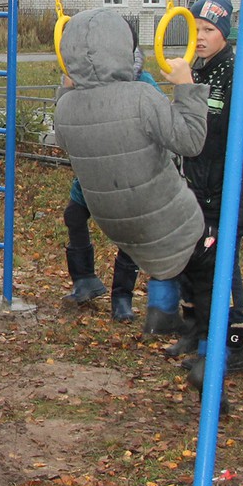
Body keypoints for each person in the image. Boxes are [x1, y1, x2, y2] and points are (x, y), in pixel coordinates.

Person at [53, 8, 208, 287]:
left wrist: (66, 87)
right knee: (209, 257)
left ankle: (162, 310)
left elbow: (64, 140)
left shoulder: (65, 107)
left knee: (183, 263)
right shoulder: (141, 96)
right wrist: (186, 86)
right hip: (166, 219)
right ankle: (201, 322)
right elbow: (191, 141)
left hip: (113, 224)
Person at [170, 0, 243, 396]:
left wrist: (189, 92)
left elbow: (225, 135)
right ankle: (197, 332)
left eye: (208, 30)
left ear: (224, 32)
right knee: (192, 259)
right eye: (195, 29)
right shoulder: (200, 67)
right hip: (196, 184)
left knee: (224, 269)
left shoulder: (236, 75)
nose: (201, 37)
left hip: (223, 187)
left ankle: (233, 345)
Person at [60, 46, 159, 323]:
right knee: (74, 214)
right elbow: (66, 126)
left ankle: (122, 298)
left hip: (129, 176)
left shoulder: (143, 84)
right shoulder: (89, 80)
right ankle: (85, 280)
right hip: (94, 170)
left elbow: (159, 122)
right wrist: (67, 89)